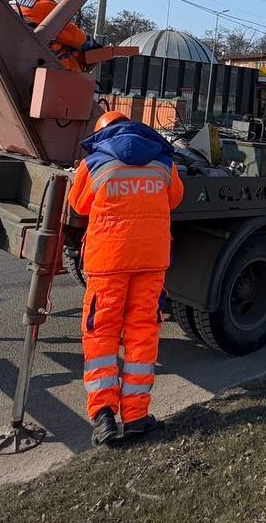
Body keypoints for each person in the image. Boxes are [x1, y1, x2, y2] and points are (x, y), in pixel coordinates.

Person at [67, 110, 185, 445]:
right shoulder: (163, 162)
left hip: (108, 262)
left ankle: (103, 415)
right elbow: (175, 198)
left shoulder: (93, 164)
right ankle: (136, 417)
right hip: (151, 262)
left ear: (102, 134)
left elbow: (78, 205)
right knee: (142, 335)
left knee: (101, 335)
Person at [10, 0, 93, 71]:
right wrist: (88, 43)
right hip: (47, 67)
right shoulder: (44, 6)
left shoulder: (9, 4)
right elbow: (68, 32)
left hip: (15, 59)